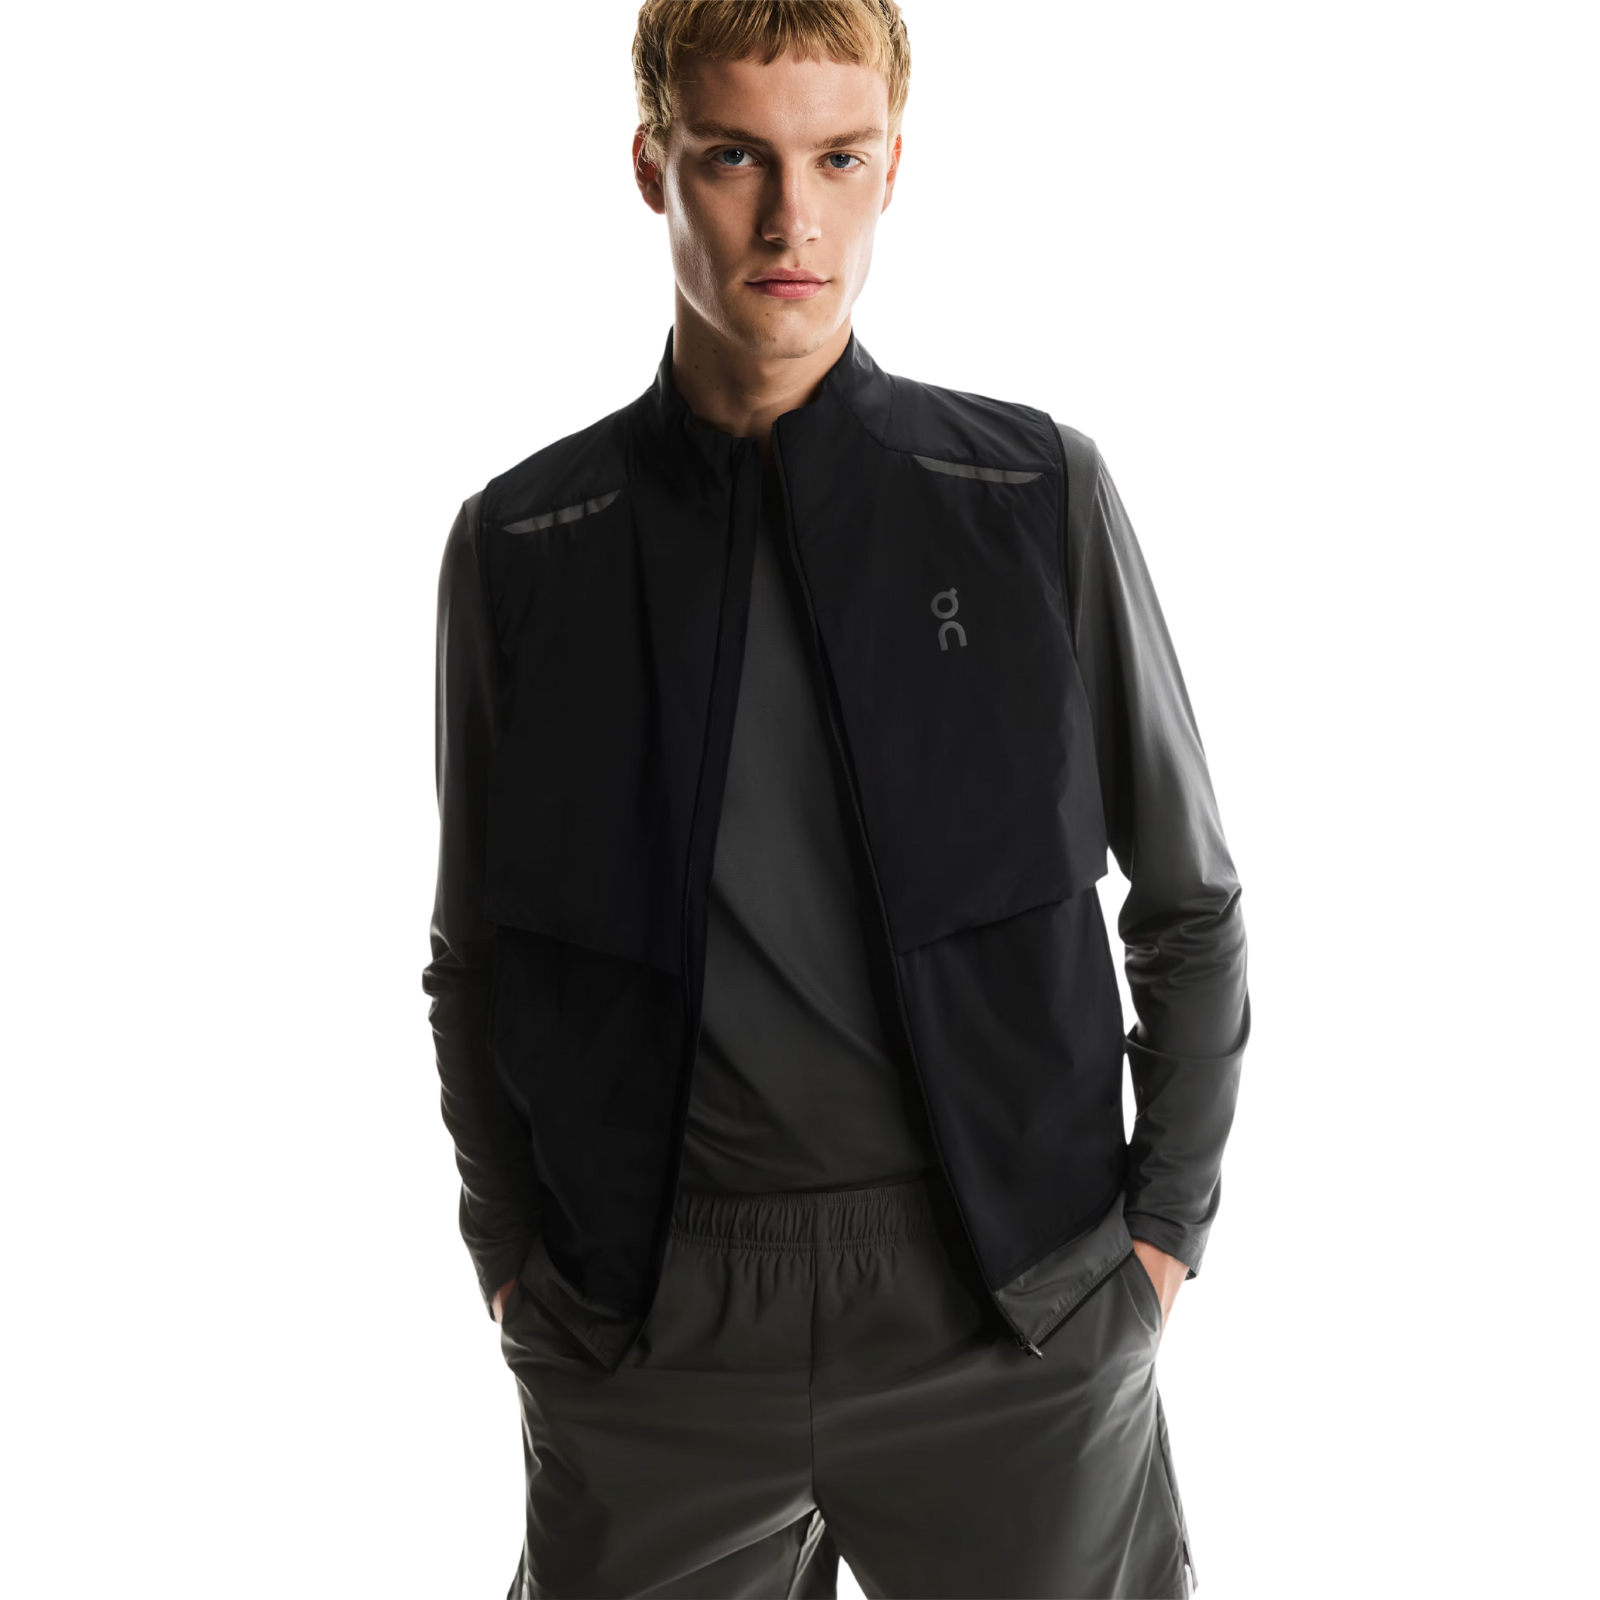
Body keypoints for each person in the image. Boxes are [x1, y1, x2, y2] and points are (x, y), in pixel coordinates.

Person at [422, 3, 1249, 1595]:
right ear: (653, 168)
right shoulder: (521, 544)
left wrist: (1156, 1249)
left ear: (893, 169)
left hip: (1007, 1312)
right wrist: (512, 1272)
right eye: (737, 158)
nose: (791, 222)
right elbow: (471, 955)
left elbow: (1189, 903)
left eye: (839, 160)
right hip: (649, 1334)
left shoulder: (1031, 491)